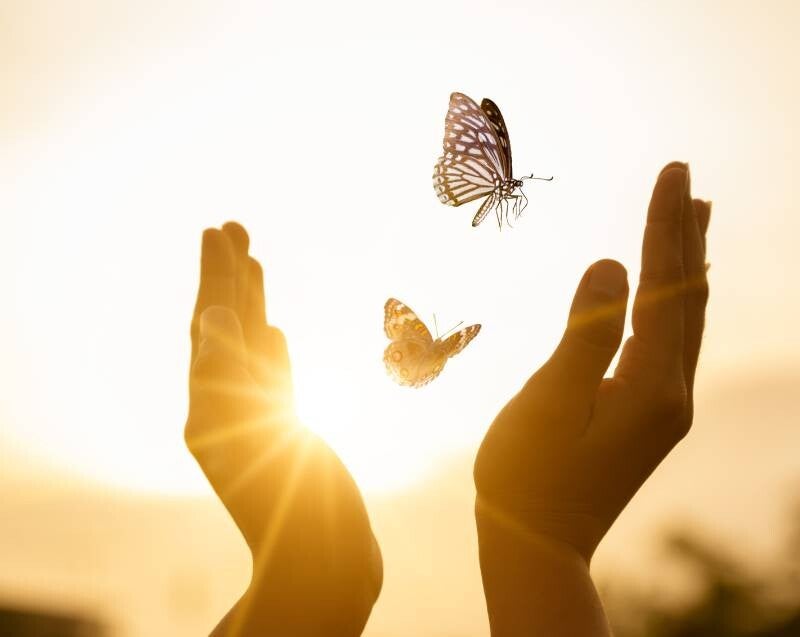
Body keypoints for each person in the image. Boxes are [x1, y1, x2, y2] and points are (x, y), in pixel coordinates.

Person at [184, 161, 710, 636]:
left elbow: (317, 576)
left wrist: (308, 580)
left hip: (417, 368)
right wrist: (544, 545)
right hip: (423, 371)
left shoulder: (436, 341)